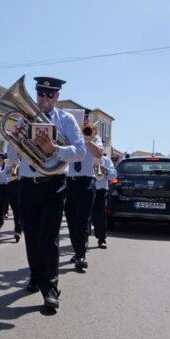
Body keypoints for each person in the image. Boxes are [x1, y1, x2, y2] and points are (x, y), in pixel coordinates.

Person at [13, 76, 84, 312]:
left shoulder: (66, 120)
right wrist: (17, 137)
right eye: (40, 94)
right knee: (32, 236)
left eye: (49, 95)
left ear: (57, 96)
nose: (44, 99)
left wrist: (55, 149)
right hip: (27, 182)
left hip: (54, 183)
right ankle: (35, 274)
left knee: (49, 238)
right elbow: (15, 156)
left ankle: (51, 289)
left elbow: (80, 152)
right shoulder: (25, 117)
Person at [64, 110, 103, 271]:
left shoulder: (94, 136)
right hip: (69, 182)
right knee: (71, 220)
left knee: (82, 220)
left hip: (87, 182)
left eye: (86, 118)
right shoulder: (68, 135)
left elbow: (99, 154)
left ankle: (81, 255)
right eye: (82, 118)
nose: (84, 120)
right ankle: (77, 250)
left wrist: (86, 139)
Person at [91, 154, 117, 249]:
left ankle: (101, 239)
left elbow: (114, 175)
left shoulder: (106, 160)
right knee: (84, 217)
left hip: (100, 190)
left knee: (100, 216)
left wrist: (104, 169)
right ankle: (81, 244)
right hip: (87, 189)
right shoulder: (86, 158)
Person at [4, 147, 23, 242]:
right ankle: (18, 229)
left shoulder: (26, 160)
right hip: (12, 185)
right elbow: (4, 174)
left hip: (23, 185)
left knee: (22, 210)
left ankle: (19, 228)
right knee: (16, 211)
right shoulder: (10, 161)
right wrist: (9, 169)